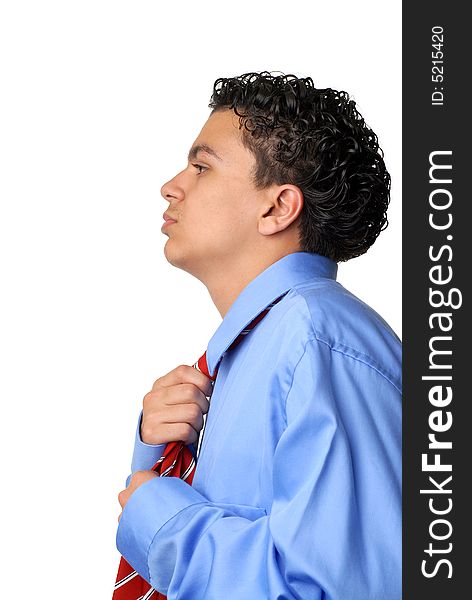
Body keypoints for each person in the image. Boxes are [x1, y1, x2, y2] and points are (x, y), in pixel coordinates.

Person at [116, 72, 401, 599]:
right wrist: (159, 464)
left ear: (277, 207)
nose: (171, 186)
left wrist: (160, 517)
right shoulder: (253, 355)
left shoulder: (319, 341)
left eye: (201, 167)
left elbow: (338, 591)